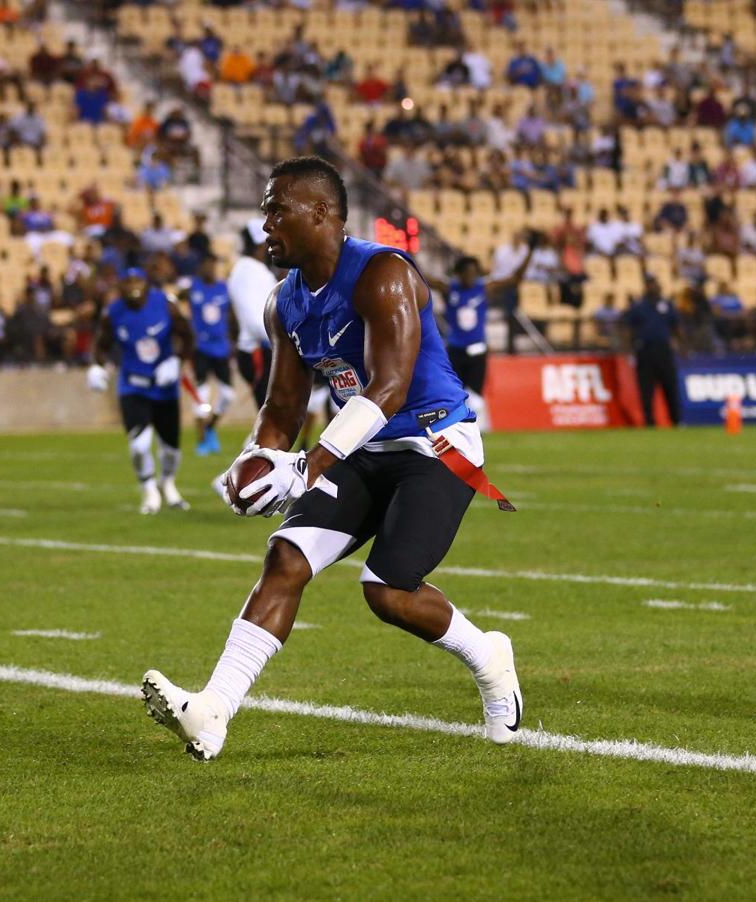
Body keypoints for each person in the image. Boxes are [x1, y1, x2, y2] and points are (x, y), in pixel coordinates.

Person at [141, 156, 521, 762]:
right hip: (362, 447)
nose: (265, 225)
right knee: (286, 557)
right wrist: (258, 460)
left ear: (321, 213)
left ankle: (489, 657)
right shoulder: (283, 303)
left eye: (275, 209)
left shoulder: (383, 272)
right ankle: (212, 711)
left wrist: (307, 467)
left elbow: (389, 387)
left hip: (433, 443)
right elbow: (285, 404)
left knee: (388, 590)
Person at [86, 268, 194, 515]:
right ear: (120, 286)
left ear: (146, 284)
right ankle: (149, 489)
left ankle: (168, 484)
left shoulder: (165, 304)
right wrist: (95, 366)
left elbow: (187, 336)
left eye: (137, 281)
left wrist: (176, 361)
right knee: (139, 445)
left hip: (164, 386)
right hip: (132, 385)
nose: (133, 286)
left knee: (170, 448)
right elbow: (100, 344)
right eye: (128, 282)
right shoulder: (113, 312)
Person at [423, 240, 536, 427]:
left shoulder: (484, 288)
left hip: (477, 349)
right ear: (459, 274)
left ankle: (478, 428)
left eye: (474, 273)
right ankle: (453, 427)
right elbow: (423, 278)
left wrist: (530, 253)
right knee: (452, 392)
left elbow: (515, 279)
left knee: (476, 394)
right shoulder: (450, 288)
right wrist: (405, 256)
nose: (471, 277)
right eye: (467, 273)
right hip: (455, 349)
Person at [183, 255, 235, 456]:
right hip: (201, 348)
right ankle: (202, 440)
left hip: (221, 348)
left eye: (213, 265)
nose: (210, 269)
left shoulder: (224, 288)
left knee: (228, 395)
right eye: (207, 264)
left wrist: (232, 340)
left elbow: (231, 316)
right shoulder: (192, 288)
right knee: (201, 396)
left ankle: (210, 427)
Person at [227, 219, 277, 408]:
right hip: (257, 349)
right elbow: (254, 319)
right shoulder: (247, 271)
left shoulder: (253, 269)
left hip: (262, 348)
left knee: (273, 418)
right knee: (271, 417)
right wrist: (282, 340)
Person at [623, 275, 682, 427]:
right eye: (649, 284)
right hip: (645, 351)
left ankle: (676, 420)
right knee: (646, 389)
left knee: (670, 386)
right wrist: (629, 349)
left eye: (653, 284)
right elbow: (628, 329)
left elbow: (676, 326)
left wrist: (681, 345)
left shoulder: (667, 304)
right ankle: (649, 421)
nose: (652, 287)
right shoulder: (638, 306)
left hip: (664, 350)